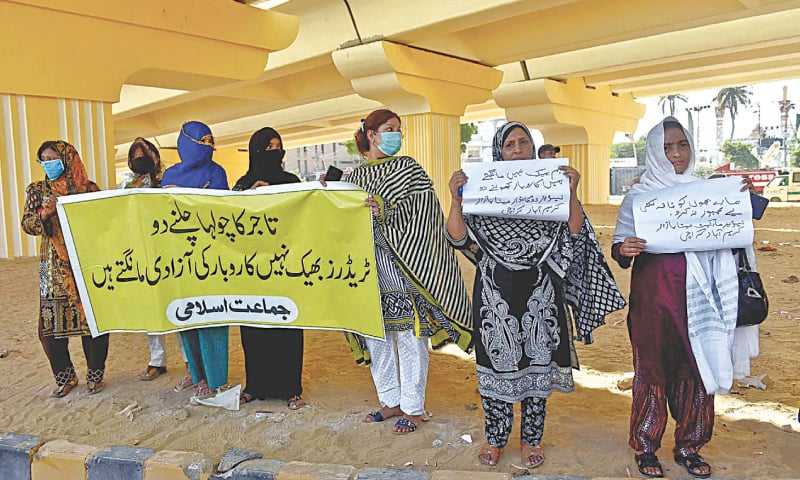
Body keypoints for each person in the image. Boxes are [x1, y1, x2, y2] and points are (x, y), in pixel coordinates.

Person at [446, 121, 625, 468]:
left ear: (532, 147)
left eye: (523, 143)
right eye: (509, 145)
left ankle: (532, 439)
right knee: (494, 367)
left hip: (541, 295)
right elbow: (458, 238)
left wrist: (571, 192)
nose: (517, 150)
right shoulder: (483, 193)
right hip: (493, 298)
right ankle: (495, 438)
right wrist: (455, 200)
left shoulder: (549, 187)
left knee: (537, 368)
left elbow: (573, 232)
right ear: (500, 152)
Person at [612, 117, 757, 478]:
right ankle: (645, 447)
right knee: (652, 370)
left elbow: (738, 228)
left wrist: (743, 198)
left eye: (682, 145)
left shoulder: (707, 191)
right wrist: (624, 248)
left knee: (696, 368)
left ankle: (690, 446)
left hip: (702, 300)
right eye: (667, 148)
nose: (676, 154)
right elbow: (620, 247)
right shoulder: (639, 197)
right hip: (653, 300)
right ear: (654, 153)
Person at [326, 108, 473, 435]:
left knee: (410, 336)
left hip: (406, 264)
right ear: (371, 135)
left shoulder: (410, 170)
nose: (396, 134)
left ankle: (413, 407)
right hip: (368, 270)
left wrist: (385, 208)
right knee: (376, 335)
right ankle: (389, 400)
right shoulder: (351, 178)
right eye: (389, 129)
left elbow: (425, 212)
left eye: (398, 129)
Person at [22, 140, 110, 397]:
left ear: (67, 158)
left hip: (86, 264)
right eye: (44, 160)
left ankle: (95, 375)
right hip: (51, 267)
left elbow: (103, 224)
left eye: (53, 158)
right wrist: (44, 215)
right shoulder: (37, 190)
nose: (48, 164)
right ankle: (65, 376)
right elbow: (27, 224)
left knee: (92, 322)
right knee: (48, 328)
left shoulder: (89, 190)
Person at [233, 127, 306, 410]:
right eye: (268, 148)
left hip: (285, 266)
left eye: (278, 146)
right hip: (251, 269)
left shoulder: (291, 182)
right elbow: (232, 222)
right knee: (254, 329)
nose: (275, 152)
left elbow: (301, 215)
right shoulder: (242, 185)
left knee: (286, 327)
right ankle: (255, 386)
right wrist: (249, 196)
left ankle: (291, 389)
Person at [161, 121, 230, 398]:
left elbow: (223, 213)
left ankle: (213, 379)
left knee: (211, 319)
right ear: (186, 141)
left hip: (209, 259)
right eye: (202, 140)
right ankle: (195, 372)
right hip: (178, 258)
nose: (208, 146)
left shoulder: (217, 173)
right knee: (186, 318)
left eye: (211, 140)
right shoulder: (169, 175)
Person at [118, 138, 182, 382]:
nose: (140, 159)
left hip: (170, 252)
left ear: (155, 157)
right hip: (142, 254)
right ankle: (157, 360)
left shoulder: (168, 181)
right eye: (135, 155)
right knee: (151, 308)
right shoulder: (125, 185)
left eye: (144, 154)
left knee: (178, 305)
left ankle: (189, 358)